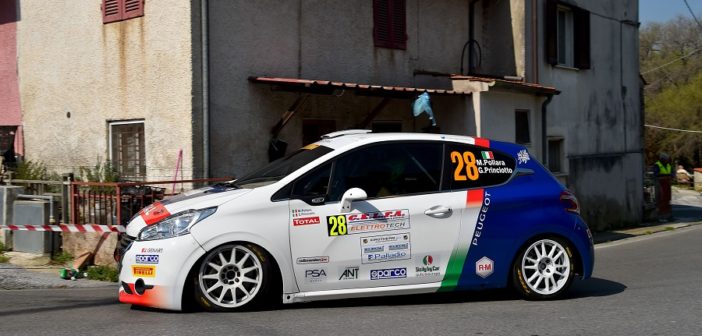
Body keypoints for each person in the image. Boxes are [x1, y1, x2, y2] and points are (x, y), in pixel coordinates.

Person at [652, 153, 674, 222]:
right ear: (662, 159)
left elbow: (672, 173)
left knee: (667, 200)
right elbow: (656, 174)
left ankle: (668, 216)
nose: (667, 161)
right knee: (661, 199)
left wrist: (671, 176)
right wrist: (667, 175)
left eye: (667, 160)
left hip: (667, 183)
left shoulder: (668, 165)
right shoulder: (657, 165)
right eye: (666, 160)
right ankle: (661, 216)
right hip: (660, 184)